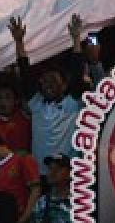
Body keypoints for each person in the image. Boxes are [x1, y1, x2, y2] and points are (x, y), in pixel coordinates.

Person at [7, 15, 86, 171]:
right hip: (41, 173)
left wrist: (76, 39)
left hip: (67, 173)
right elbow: (25, 75)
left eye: (53, 81)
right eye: (45, 81)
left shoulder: (72, 104)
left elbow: (77, 73)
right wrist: (19, 42)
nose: (48, 85)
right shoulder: (36, 105)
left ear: (64, 85)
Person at [29, 154, 73, 223]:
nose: (52, 173)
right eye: (50, 169)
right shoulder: (41, 202)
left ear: (70, 173)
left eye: (58, 169)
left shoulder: (80, 202)